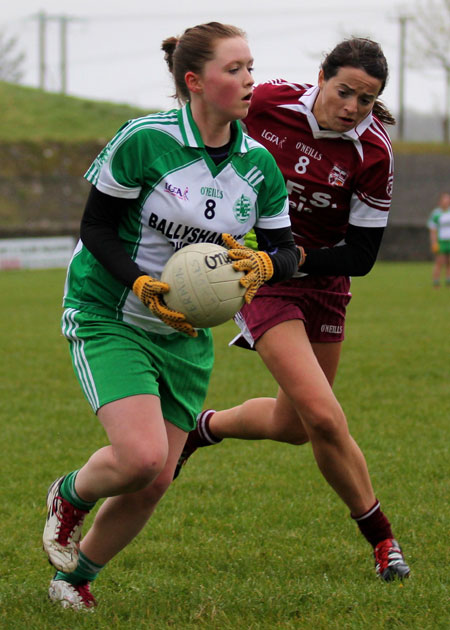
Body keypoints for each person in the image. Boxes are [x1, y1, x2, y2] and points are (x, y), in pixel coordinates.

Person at [42, 21, 300, 611]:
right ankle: (68, 497)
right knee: (140, 457)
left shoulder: (258, 165)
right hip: (113, 310)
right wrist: (138, 281)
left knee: (156, 479)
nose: (248, 80)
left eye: (251, 67)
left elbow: (287, 250)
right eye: (233, 69)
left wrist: (266, 265)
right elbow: (95, 228)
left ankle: (75, 578)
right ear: (195, 81)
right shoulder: (144, 141)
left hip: (185, 335)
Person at [176, 37, 411, 582]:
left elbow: (363, 254)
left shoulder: (373, 152)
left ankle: (201, 429)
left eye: (367, 100)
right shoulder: (268, 104)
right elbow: (204, 117)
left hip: (322, 281)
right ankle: (384, 542)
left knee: (296, 424)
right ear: (322, 76)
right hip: (257, 278)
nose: (352, 107)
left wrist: (296, 260)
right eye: (345, 91)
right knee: (326, 415)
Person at [427, 192, 450, 287]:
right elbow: (432, 230)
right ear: (440, 202)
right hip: (441, 242)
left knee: (449, 262)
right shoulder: (436, 214)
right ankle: (436, 281)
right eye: (445, 200)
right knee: (439, 262)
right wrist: (434, 243)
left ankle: (448, 280)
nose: (447, 202)